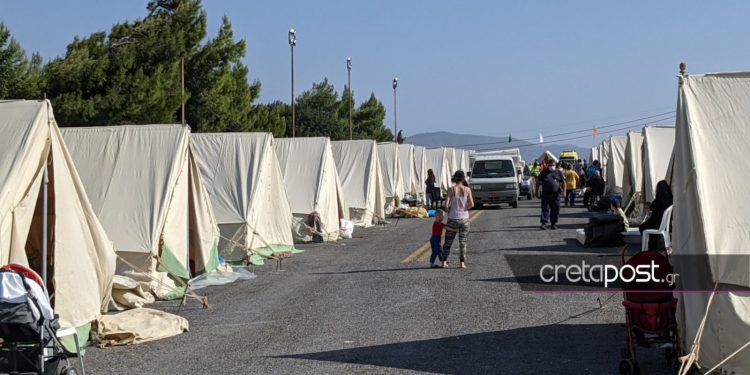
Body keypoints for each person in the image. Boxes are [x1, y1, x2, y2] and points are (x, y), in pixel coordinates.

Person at [440, 170, 474, 269]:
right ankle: (462, 263)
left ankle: (444, 262)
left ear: (454, 178)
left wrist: (449, 211)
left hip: (452, 218)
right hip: (464, 218)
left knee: (448, 241)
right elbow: (472, 204)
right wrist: (465, 208)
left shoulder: (451, 189)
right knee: (463, 242)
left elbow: (446, 205)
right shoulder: (467, 190)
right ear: (463, 178)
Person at [539, 160, 565, 230]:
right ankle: (544, 223)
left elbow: (563, 182)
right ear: (547, 165)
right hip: (546, 194)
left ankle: (553, 223)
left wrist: (564, 191)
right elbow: (539, 182)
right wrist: (536, 192)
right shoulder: (543, 172)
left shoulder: (559, 172)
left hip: (556, 195)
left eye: (553, 165)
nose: (552, 167)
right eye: (550, 165)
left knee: (556, 209)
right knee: (545, 209)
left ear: (555, 165)